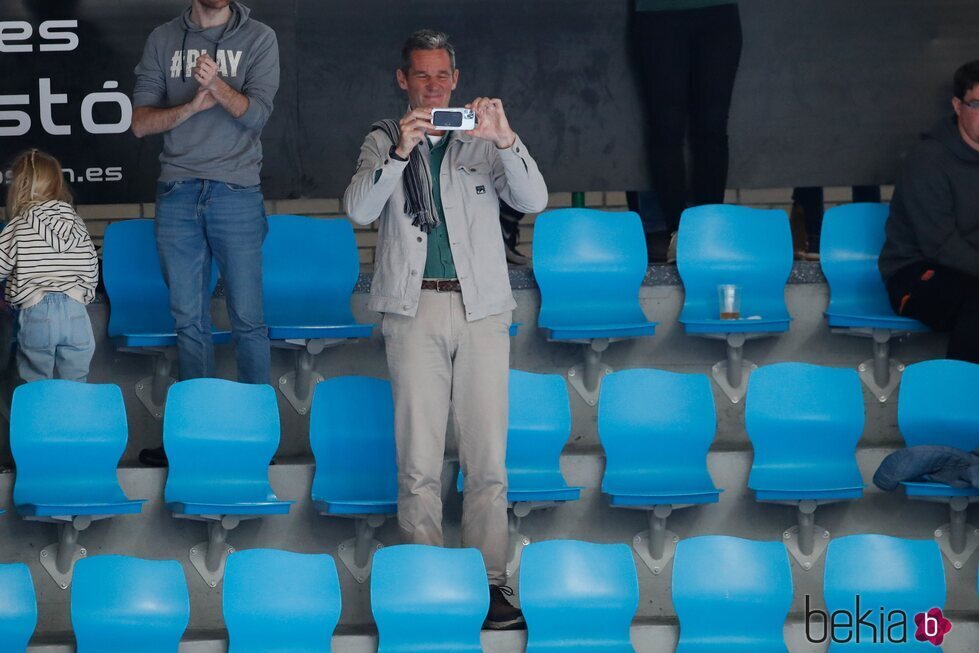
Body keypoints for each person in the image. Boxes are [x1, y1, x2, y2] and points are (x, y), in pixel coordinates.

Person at [344, 29, 548, 630]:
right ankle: (429, 582)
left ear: (455, 81)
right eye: (421, 77)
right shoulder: (383, 138)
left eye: (442, 77)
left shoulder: (482, 137)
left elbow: (533, 198)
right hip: (414, 311)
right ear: (402, 81)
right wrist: (401, 154)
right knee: (418, 463)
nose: (433, 88)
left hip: (482, 309)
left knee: (487, 461)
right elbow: (357, 209)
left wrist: (505, 139)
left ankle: (491, 583)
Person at [131, 0, 278, 385]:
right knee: (188, 322)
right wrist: (191, 107)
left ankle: (255, 438)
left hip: (237, 191)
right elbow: (141, 123)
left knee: (248, 320)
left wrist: (215, 84)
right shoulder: (162, 39)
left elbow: (257, 115)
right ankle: (198, 439)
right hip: (177, 190)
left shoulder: (259, 37)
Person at [879, 60, 979, 364]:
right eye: (977, 104)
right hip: (915, 274)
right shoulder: (928, 160)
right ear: (957, 105)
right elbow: (939, 244)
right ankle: (961, 405)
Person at [630, 0, 742, 262]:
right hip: (658, 14)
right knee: (666, 129)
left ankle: (709, 231)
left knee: (712, 129)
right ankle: (678, 234)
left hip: (718, 13)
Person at [0, 149, 98, 382]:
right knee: (76, 382)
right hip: (76, 312)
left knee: (36, 382)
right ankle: (75, 418)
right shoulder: (75, 221)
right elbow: (91, 264)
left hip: (37, 311)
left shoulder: (19, 224)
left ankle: (40, 418)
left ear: (20, 187)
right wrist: (82, 295)